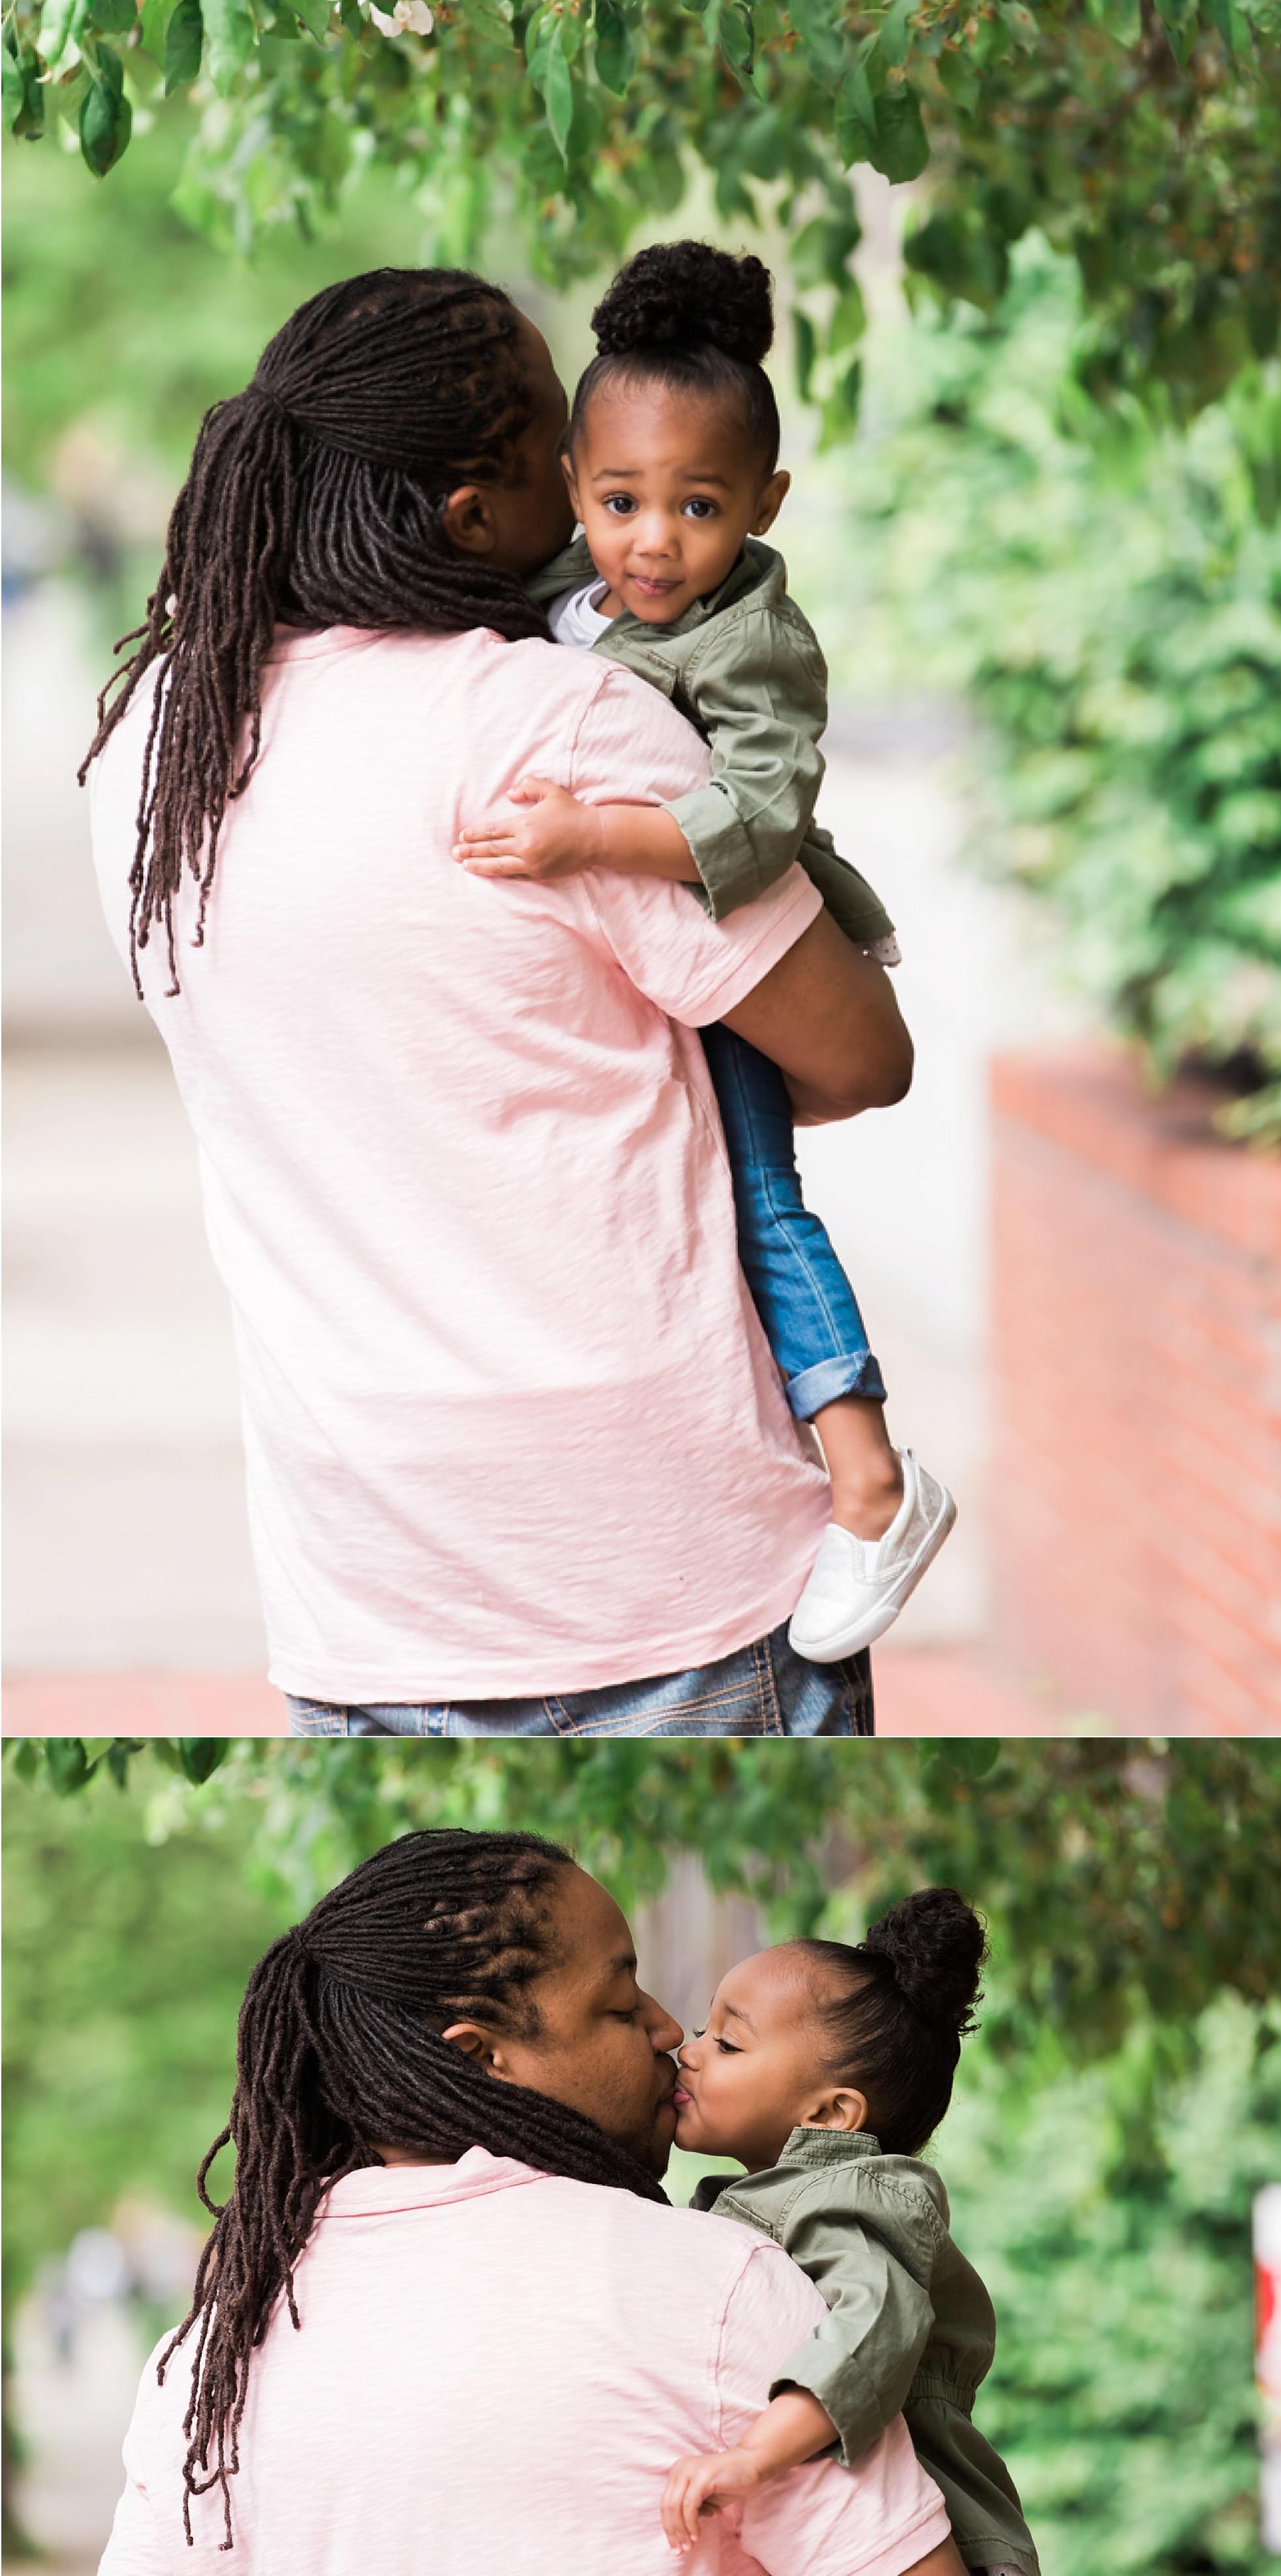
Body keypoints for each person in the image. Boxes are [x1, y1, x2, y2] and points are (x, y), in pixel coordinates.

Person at [83, 268, 915, 1735]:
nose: (591, 485)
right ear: (477, 515)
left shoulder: (160, 737)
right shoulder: (551, 723)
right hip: (664, 1575)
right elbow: (859, 1053)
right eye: (558, 454)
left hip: (363, 1587)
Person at [87, 1829, 1006, 2576]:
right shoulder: (717, 2288)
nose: (667, 2027)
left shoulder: (211, 2352)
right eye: (619, 2004)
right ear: (485, 2057)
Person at [457, 240, 956, 1667]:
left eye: (697, 505)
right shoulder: (579, 580)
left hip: (736, 935)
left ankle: (869, 1469)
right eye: (619, 501)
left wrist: (589, 837)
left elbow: (756, 805)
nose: (653, 541)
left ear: (764, 505)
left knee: (756, 1194)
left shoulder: (753, 640)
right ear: (572, 486)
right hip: (648, 978)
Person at [661, 1894, 1043, 2576]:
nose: (690, 2047)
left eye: (728, 2043)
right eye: (705, 2027)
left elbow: (874, 2320)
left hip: (941, 2547)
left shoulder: (858, 2193)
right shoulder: (776, 2192)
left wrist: (754, 2457)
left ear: (830, 2114)